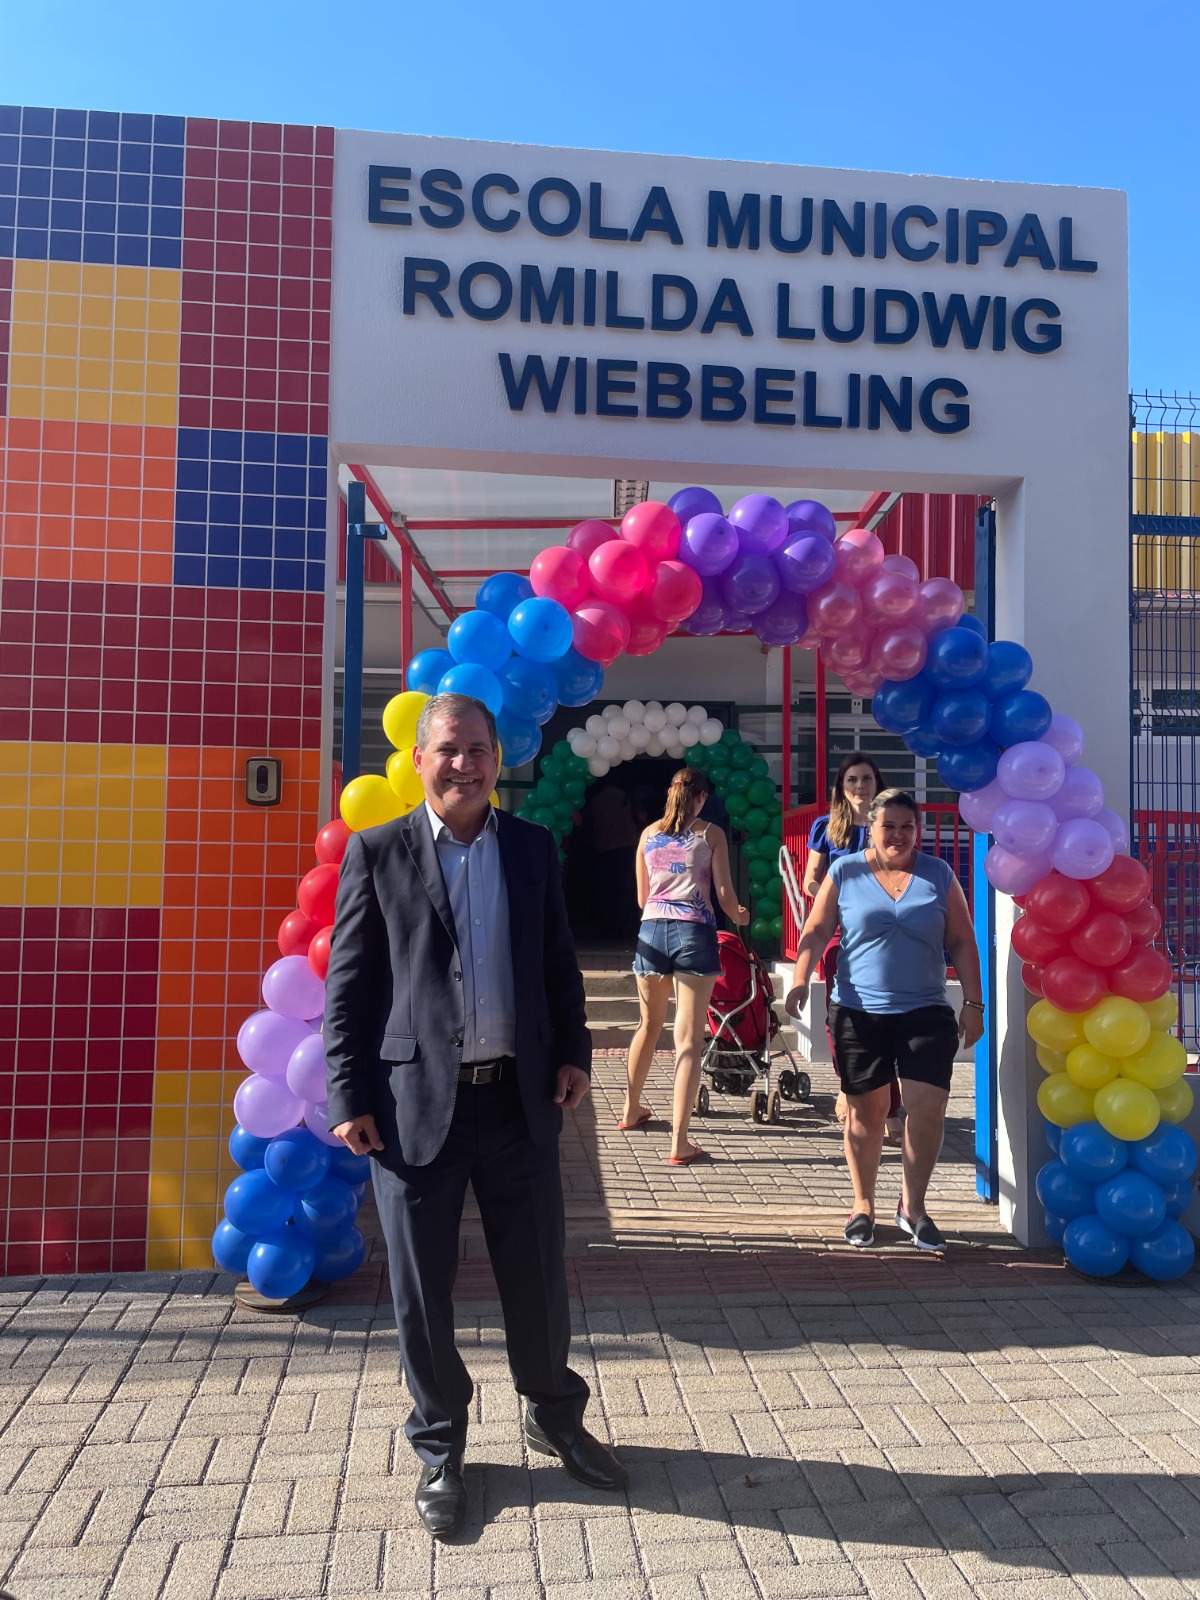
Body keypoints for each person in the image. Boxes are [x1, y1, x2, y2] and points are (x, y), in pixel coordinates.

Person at [323, 693, 626, 1542]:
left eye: (480, 750)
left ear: (500, 760)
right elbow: (346, 991)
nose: (465, 765)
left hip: (519, 1102)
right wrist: (347, 1097)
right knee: (423, 1292)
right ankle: (441, 1445)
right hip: (412, 1112)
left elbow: (558, 963)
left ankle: (555, 1413)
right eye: (449, 749)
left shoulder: (530, 849)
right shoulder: (377, 852)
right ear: (420, 759)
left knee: (535, 1273)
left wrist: (573, 1052)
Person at [785, 788, 984, 1252]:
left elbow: (961, 940)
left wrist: (973, 1004)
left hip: (926, 1012)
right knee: (865, 1116)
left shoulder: (939, 874)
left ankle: (913, 1208)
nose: (898, 835)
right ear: (870, 830)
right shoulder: (846, 870)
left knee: (927, 1110)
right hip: (858, 1012)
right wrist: (799, 978)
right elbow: (815, 929)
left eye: (906, 827)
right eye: (888, 827)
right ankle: (863, 1205)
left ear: (918, 830)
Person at [620, 766, 749, 1164]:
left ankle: (630, 1108)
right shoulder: (710, 834)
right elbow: (725, 894)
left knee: (648, 1025)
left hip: (652, 932)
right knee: (689, 1039)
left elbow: (643, 898)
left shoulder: (647, 835)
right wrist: (741, 915)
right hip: (694, 932)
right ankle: (679, 1142)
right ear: (702, 797)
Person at [803, 753, 902, 1142]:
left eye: (866, 779)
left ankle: (891, 1105)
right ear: (841, 788)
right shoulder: (827, 827)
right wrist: (836, 896)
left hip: (886, 937)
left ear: (877, 784)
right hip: (841, 936)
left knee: (886, 1018)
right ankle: (849, 1089)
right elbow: (812, 879)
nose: (860, 787)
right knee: (840, 1018)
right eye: (852, 781)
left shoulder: (889, 826)